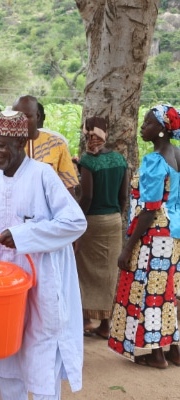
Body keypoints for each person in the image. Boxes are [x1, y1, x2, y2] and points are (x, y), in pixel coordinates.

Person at [0, 110, 87, 400]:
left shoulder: (43, 175)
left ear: (20, 142)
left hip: (43, 281)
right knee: (6, 354)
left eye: (1, 144)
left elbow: (75, 222)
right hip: (4, 284)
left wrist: (24, 235)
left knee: (42, 357)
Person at [110, 104, 180, 369]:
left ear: (162, 130)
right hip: (174, 234)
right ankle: (174, 350)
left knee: (151, 294)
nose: (142, 127)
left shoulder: (154, 161)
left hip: (153, 235)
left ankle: (156, 355)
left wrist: (127, 247)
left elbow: (149, 210)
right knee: (170, 291)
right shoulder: (177, 154)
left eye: (148, 123)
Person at [75, 117, 128, 338]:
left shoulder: (88, 162)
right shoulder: (120, 160)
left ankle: (86, 319)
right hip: (114, 221)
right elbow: (123, 196)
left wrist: (78, 218)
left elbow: (87, 196)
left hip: (92, 222)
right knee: (108, 274)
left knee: (84, 270)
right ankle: (106, 325)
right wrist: (117, 214)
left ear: (88, 135)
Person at [12, 95, 79, 196]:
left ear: (37, 116)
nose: (20, 122)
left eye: (26, 117)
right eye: (16, 117)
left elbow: (68, 187)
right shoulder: (6, 145)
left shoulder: (57, 144)